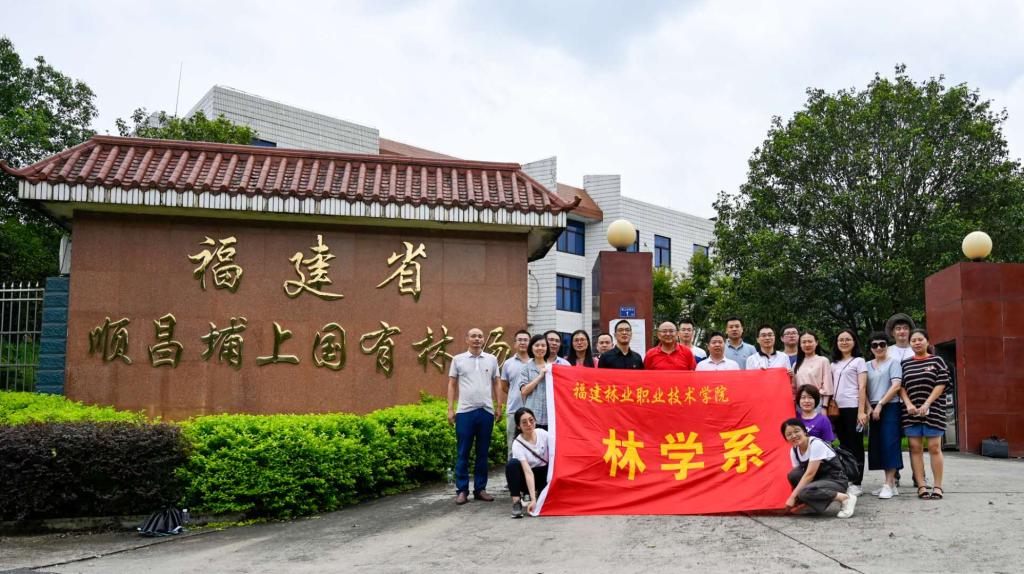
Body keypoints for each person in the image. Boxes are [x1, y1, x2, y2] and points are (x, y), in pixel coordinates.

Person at [447, 328, 501, 505]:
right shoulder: (458, 359)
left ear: (483, 339)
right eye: (473, 336)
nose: (477, 339)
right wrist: (450, 409)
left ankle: (480, 489)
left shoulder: (492, 359)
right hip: (465, 412)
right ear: (467, 339)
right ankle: (462, 490)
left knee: (482, 453)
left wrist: (499, 406)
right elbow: (452, 384)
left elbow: (497, 383)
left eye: (480, 336)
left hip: (486, 411)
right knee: (463, 452)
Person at [900, 328, 950, 500]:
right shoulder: (905, 364)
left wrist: (927, 403)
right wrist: (908, 404)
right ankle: (921, 486)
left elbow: (942, 383)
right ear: (910, 344)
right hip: (911, 412)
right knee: (915, 448)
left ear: (927, 341)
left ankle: (937, 486)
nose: (917, 343)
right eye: (913, 340)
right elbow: (901, 386)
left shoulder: (937, 361)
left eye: (920, 339)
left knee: (935, 447)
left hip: (934, 410)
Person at [781, 418, 857, 518]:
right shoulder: (794, 451)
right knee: (794, 475)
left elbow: (809, 474)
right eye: (789, 434)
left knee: (804, 492)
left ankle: (845, 498)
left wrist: (792, 497)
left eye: (796, 431)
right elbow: (799, 476)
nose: (794, 436)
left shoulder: (815, 444)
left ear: (804, 431)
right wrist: (796, 499)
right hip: (819, 480)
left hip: (836, 480)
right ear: (786, 438)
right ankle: (809, 504)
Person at [865, 331, 904, 499]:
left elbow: (896, 386)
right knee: (879, 444)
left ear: (887, 346)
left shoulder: (894, 363)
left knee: (890, 443)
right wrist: (869, 407)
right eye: (875, 345)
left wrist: (880, 404)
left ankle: (888, 483)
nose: (879, 347)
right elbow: (862, 388)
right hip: (872, 407)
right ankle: (891, 485)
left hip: (890, 406)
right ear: (871, 348)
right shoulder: (866, 365)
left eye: (882, 344)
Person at [830, 328, 868, 496]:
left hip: (853, 407)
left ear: (854, 342)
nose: (844, 342)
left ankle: (857, 482)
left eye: (847, 339)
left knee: (856, 446)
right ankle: (847, 478)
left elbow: (862, 387)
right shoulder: (833, 364)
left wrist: (861, 411)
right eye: (841, 340)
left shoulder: (859, 361)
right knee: (843, 446)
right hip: (837, 409)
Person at [505, 407, 550, 518]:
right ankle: (516, 502)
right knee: (512, 464)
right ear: (518, 426)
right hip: (526, 478)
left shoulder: (543, 434)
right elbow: (527, 472)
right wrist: (533, 499)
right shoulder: (517, 444)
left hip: (544, 475)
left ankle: (537, 494)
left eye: (531, 420)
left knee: (545, 502)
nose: (529, 424)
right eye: (524, 422)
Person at [500, 329, 532, 457]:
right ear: (514, 344)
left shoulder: (536, 362)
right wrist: (517, 395)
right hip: (514, 410)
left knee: (532, 445)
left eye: (525, 340)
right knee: (512, 446)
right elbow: (504, 386)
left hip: (533, 410)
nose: (522, 342)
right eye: (520, 340)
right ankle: (512, 469)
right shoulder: (508, 364)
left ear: (530, 343)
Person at [516, 334, 554, 430]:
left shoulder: (552, 368)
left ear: (547, 348)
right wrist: (540, 376)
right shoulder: (525, 368)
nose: (540, 348)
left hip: (550, 416)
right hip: (531, 417)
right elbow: (524, 391)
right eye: (537, 345)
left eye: (543, 345)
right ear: (531, 348)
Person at [793, 331, 833, 405]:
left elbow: (827, 386)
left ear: (816, 342)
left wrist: (824, 406)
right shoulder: (796, 364)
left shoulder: (823, 361)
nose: (807, 344)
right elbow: (794, 388)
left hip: (817, 402)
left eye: (810, 341)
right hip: (801, 403)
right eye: (804, 342)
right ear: (800, 345)